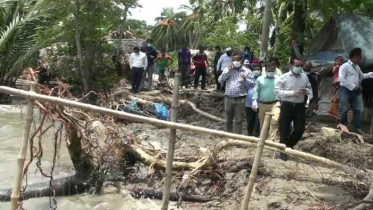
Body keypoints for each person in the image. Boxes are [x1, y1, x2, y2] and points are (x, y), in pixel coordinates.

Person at [275, 58, 312, 161]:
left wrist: (306, 91)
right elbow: (277, 91)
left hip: (299, 106)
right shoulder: (284, 77)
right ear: (291, 65)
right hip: (287, 105)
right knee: (284, 129)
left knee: (299, 129)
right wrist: (291, 93)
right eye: (297, 66)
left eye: (301, 66)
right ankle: (282, 151)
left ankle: (289, 146)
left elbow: (310, 89)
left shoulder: (304, 77)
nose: (299, 68)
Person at [339, 48, 373, 134]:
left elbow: (362, 76)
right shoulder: (344, 66)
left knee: (359, 110)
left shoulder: (357, 67)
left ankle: (357, 128)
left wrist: (371, 74)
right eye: (360, 56)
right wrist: (353, 87)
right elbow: (341, 79)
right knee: (344, 109)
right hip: (345, 90)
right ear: (356, 56)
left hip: (356, 91)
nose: (361, 58)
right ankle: (343, 127)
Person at [219, 54, 255, 134]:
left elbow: (253, 84)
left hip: (240, 99)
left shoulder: (247, 71)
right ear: (232, 61)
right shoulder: (227, 69)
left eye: (238, 60)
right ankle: (228, 136)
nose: (236, 62)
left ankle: (237, 138)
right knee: (228, 119)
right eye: (234, 60)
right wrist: (228, 71)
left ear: (241, 61)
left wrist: (245, 80)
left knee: (238, 120)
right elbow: (220, 80)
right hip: (228, 98)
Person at [252, 62, 281, 140]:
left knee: (275, 120)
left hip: (275, 103)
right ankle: (262, 140)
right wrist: (254, 100)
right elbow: (256, 90)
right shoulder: (260, 79)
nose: (271, 69)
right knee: (263, 123)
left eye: (273, 68)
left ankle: (271, 140)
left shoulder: (278, 79)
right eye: (269, 68)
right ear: (266, 68)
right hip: (263, 104)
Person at [245, 62, 261, 136]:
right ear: (252, 70)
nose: (256, 71)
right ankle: (250, 135)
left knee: (258, 121)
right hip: (248, 103)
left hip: (260, 103)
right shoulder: (247, 78)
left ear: (261, 70)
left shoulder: (263, 79)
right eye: (254, 69)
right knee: (250, 121)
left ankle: (256, 136)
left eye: (258, 69)